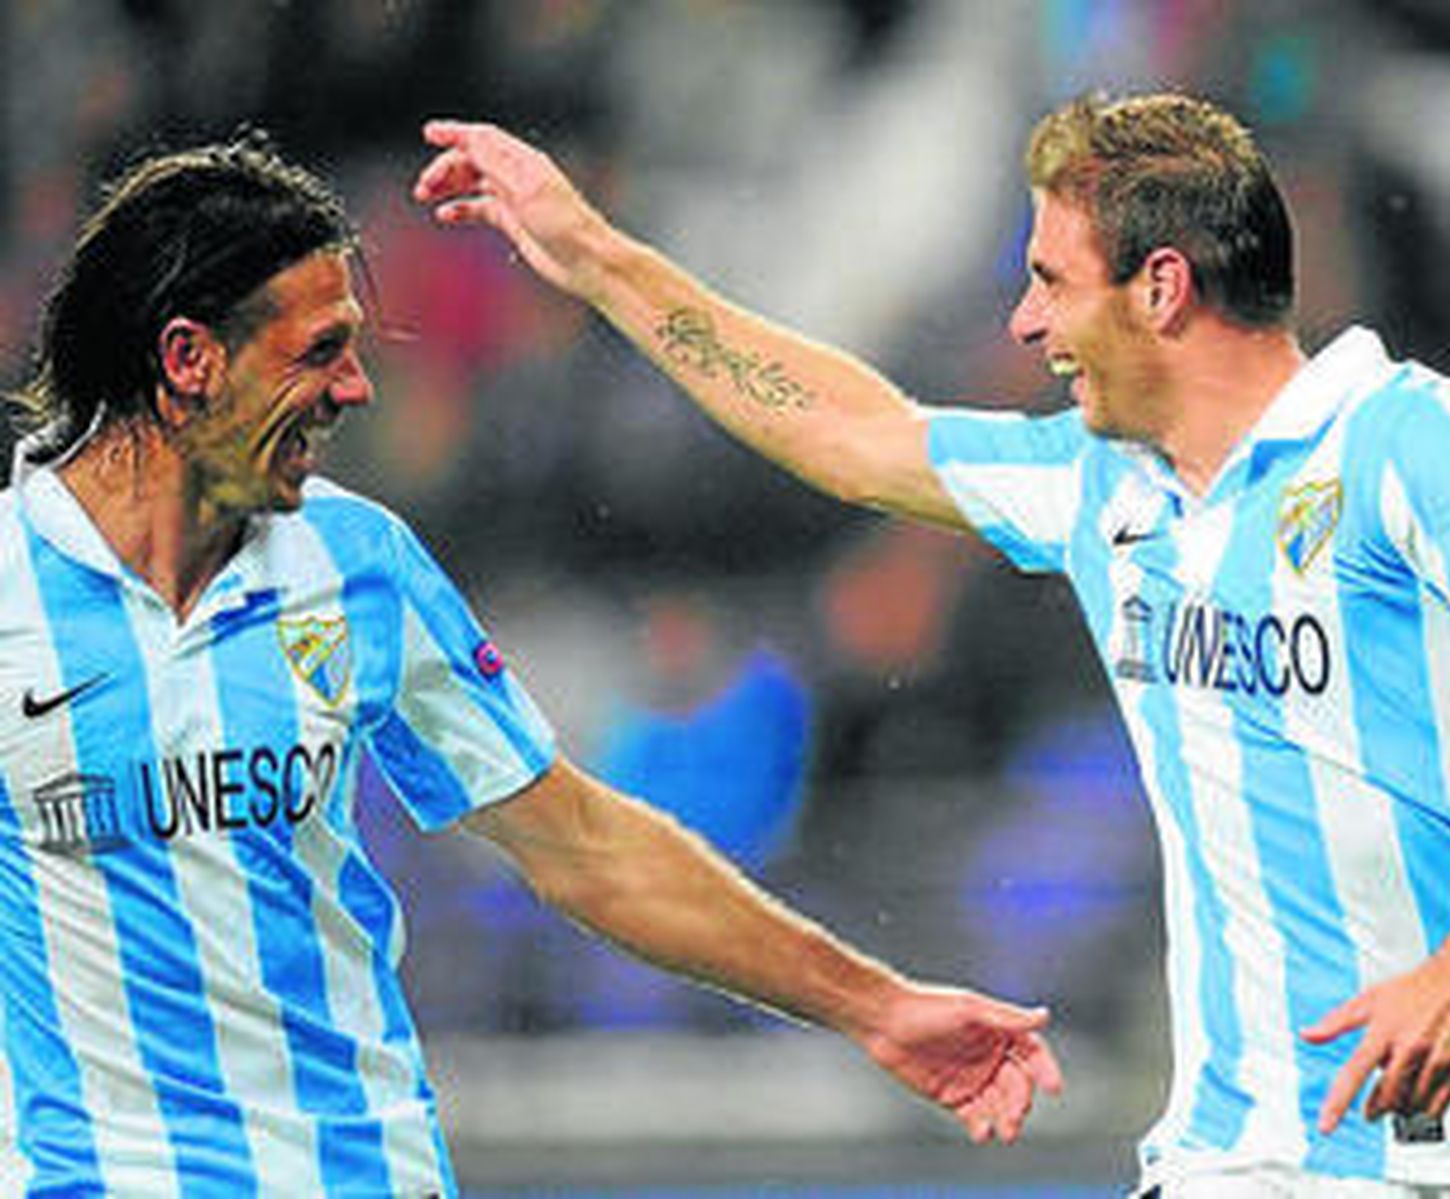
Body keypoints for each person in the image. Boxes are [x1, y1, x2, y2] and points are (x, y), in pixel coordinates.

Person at [412, 89, 1450, 1198]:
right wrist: (596, 260)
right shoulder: (1099, 487)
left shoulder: (1419, 441)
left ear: (1162, 288)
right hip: (1234, 1154)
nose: (1026, 322)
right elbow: (848, 427)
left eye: (1050, 281)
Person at [0, 132, 1064, 1197]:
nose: (358, 388)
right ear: (190, 360)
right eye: (320, 350)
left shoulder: (354, 561)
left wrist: (874, 1004)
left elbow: (583, 846)